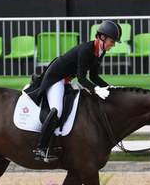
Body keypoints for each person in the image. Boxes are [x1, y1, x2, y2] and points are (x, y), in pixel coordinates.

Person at [24, 20, 121, 162]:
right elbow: (82, 79)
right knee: (57, 109)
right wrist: (95, 90)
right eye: (112, 41)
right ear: (102, 37)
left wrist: (109, 87)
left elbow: (94, 76)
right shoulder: (86, 50)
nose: (112, 45)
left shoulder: (100, 51)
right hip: (56, 79)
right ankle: (41, 148)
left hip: (67, 80)